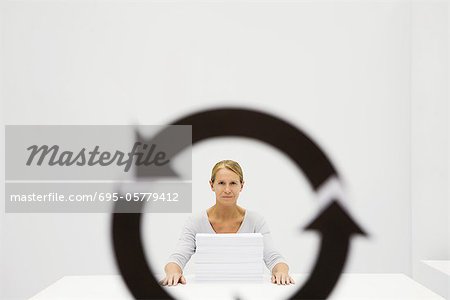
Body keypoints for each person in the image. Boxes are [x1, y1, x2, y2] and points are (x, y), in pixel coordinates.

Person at [160, 160, 295, 286]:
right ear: (212, 185)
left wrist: (280, 271)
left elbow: (273, 257)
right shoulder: (195, 222)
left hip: (249, 288)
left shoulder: (255, 221)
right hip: (207, 289)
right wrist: (173, 271)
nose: (227, 190)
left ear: (241, 185)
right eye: (221, 183)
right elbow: (178, 256)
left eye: (233, 183)